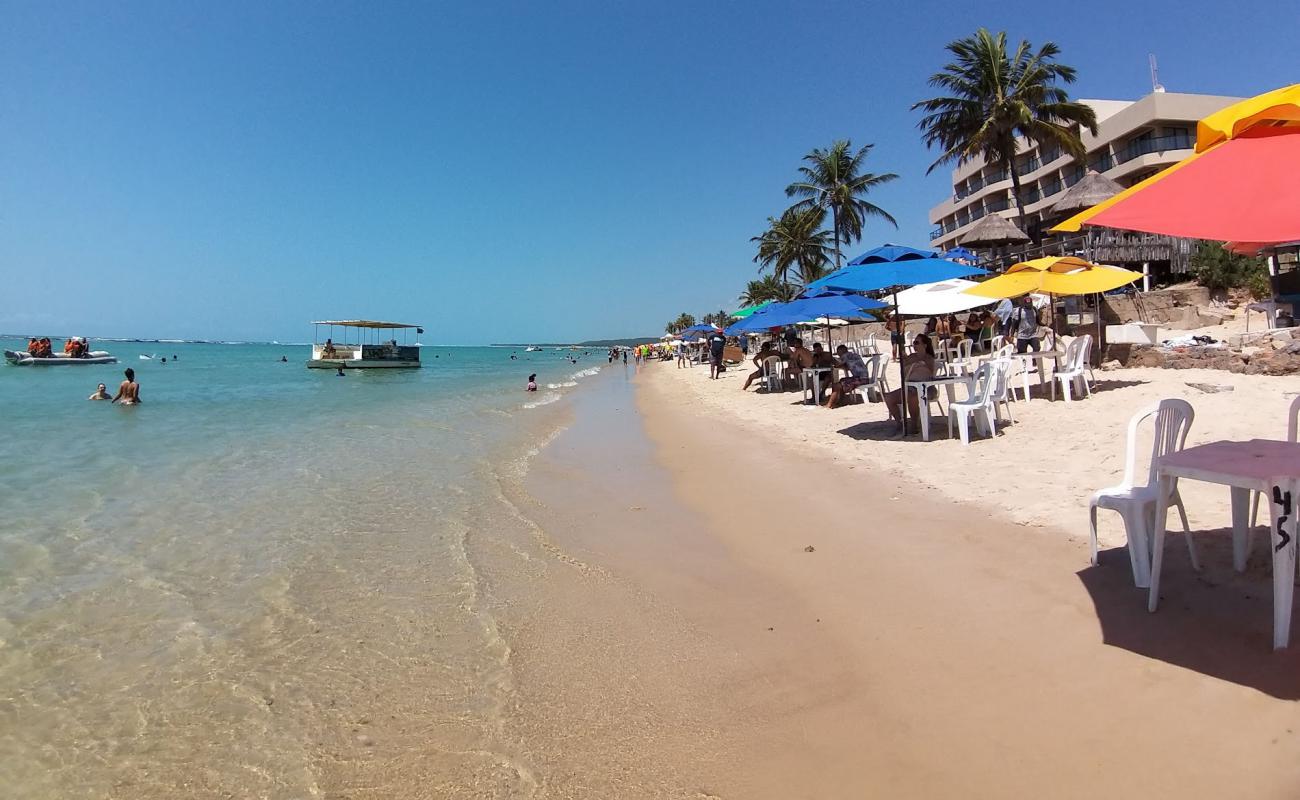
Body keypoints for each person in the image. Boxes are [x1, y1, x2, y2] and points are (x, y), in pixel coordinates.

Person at [882, 334, 937, 431]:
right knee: (888, 397)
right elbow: (904, 372)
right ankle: (900, 423)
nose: (914, 345)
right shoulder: (911, 357)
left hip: (926, 388)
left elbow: (930, 371)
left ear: (924, 345)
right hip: (910, 387)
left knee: (912, 397)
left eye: (917, 343)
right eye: (913, 343)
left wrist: (918, 363)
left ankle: (914, 424)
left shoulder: (929, 358)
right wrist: (906, 361)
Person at [823, 344, 872, 409]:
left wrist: (832, 360)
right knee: (842, 380)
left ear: (841, 351)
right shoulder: (854, 355)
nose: (838, 355)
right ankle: (840, 401)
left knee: (836, 385)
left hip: (860, 379)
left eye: (838, 353)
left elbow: (838, 363)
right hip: (865, 377)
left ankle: (829, 405)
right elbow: (848, 365)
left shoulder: (845, 356)